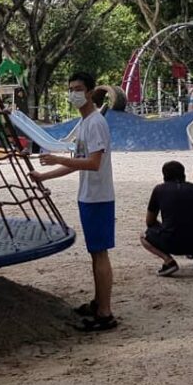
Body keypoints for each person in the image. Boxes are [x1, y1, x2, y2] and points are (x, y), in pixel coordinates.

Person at [30, 71, 117, 331]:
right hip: (88, 196)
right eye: (71, 89)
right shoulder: (84, 123)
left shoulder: (95, 123)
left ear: (90, 92)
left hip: (99, 197)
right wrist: (45, 176)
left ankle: (105, 313)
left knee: (100, 253)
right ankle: (98, 301)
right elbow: (78, 163)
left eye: (78, 88)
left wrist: (57, 159)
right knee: (95, 252)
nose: (73, 94)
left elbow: (93, 162)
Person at [142, 160, 193, 276]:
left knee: (143, 236)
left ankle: (168, 261)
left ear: (164, 175)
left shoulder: (159, 189)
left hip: (170, 242)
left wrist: (163, 227)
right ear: (183, 174)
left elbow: (149, 221)